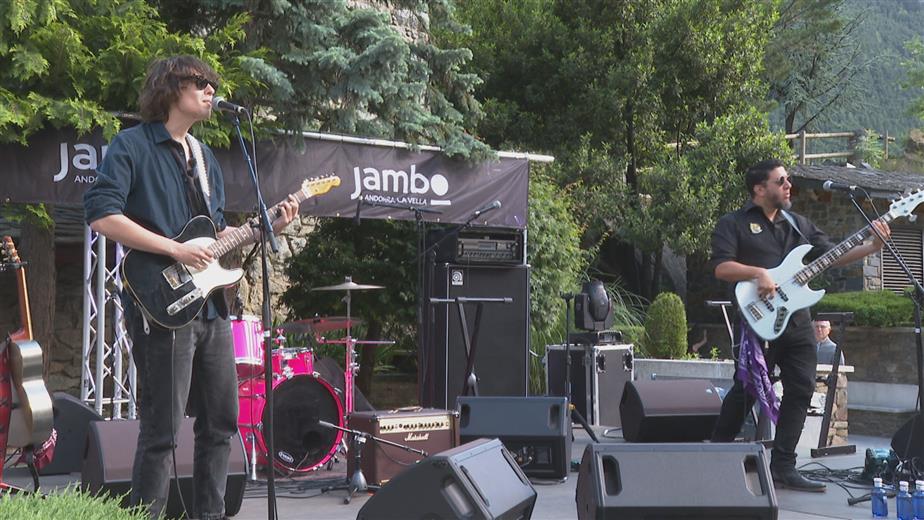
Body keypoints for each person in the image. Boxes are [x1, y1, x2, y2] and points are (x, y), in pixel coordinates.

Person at [84, 55, 299, 519]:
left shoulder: (205, 160)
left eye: (211, 85)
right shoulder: (132, 146)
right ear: (170, 87)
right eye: (201, 82)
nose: (210, 91)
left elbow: (215, 236)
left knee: (222, 422)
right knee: (161, 431)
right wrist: (175, 250)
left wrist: (267, 226)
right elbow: (102, 214)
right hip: (161, 304)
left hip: (210, 309)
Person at [708, 158, 889, 493]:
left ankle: (784, 466)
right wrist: (757, 273)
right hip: (757, 322)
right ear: (760, 189)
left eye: (789, 179)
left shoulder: (798, 224)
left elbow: (833, 254)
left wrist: (873, 246)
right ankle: (717, 451)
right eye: (781, 181)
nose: (789, 185)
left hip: (797, 323)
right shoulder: (734, 223)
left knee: (802, 388)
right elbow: (721, 268)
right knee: (747, 389)